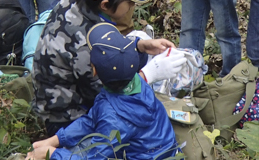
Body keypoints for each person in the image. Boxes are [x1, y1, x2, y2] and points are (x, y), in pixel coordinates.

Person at [32, 0, 188, 136]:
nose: (133, 6)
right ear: (105, 4)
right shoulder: (86, 44)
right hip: (67, 119)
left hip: (67, 94)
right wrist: (148, 75)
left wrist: (139, 45)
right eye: (129, 1)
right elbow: (110, 97)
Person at [27, 22, 179, 160]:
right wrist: (55, 140)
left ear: (94, 71)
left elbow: (93, 158)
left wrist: (52, 153)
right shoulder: (133, 81)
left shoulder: (113, 118)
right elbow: (91, 120)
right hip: (155, 149)